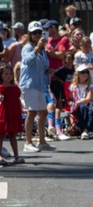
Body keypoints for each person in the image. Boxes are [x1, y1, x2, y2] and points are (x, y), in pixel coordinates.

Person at [19, 21, 53, 153]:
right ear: (30, 34)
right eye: (34, 33)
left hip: (39, 85)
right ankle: (28, 142)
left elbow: (45, 65)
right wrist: (37, 48)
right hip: (29, 85)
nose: (37, 35)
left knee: (43, 112)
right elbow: (27, 60)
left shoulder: (42, 50)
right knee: (32, 112)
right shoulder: (27, 47)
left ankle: (42, 141)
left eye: (39, 32)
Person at [0, 63, 24, 166]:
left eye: (10, 73)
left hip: (13, 112)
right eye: (5, 73)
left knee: (12, 134)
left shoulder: (14, 87)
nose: (8, 75)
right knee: (1, 135)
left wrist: (21, 109)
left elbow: (18, 99)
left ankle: (16, 155)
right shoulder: (1, 88)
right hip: (3, 113)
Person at [68, 64, 93, 139]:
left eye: (86, 72)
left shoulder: (91, 85)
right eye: (82, 72)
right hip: (77, 105)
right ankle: (83, 130)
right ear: (78, 74)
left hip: (88, 104)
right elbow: (70, 99)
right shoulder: (73, 86)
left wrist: (78, 102)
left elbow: (89, 98)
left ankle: (86, 130)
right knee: (81, 108)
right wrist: (72, 103)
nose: (85, 74)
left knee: (87, 109)